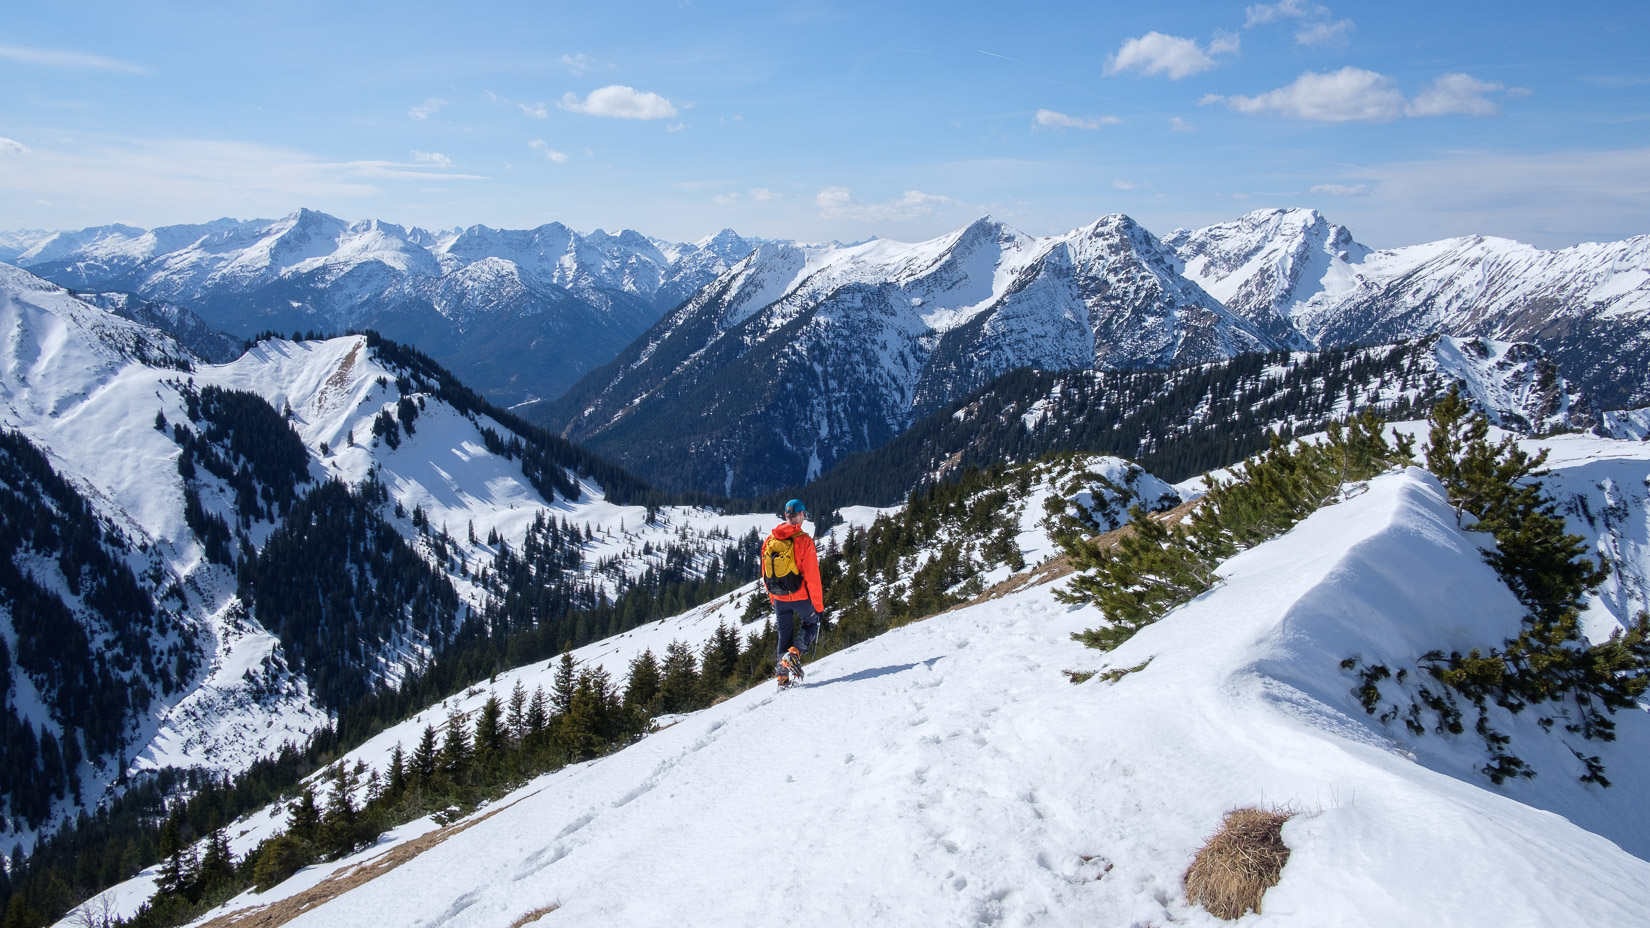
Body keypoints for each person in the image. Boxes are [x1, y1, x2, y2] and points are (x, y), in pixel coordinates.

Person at [762, 499, 824, 687]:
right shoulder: (803, 541)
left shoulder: (771, 539)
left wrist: (772, 596)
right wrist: (819, 607)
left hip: (778, 596)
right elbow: (813, 578)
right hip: (800, 597)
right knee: (812, 622)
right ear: (802, 515)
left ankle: (782, 678)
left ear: (786, 515)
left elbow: (765, 572)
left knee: (784, 635)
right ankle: (794, 653)